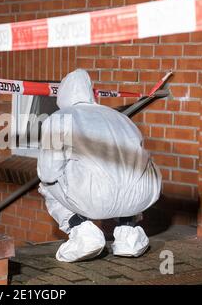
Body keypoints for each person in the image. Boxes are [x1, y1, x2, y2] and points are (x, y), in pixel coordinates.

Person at [37, 69, 162, 262]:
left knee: (46, 184)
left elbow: (48, 172)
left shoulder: (59, 118)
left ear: (63, 94)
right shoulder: (122, 118)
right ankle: (129, 235)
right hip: (144, 194)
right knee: (127, 172)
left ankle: (80, 231)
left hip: (96, 197)